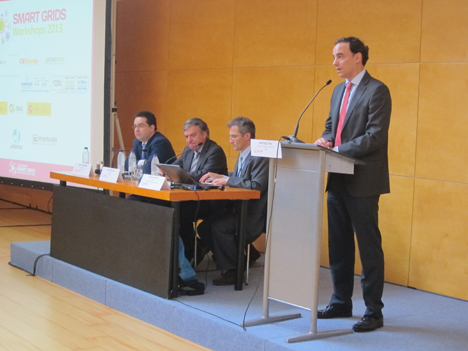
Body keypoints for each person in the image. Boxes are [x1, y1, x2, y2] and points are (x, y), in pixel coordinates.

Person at [314, 37, 391, 332]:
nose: (335, 62)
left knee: (369, 247)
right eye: (334, 56)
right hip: (337, 179)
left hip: (364, 180)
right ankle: (340, 301)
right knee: (339, 244)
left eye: (340, 56)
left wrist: (337, 150)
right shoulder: (336, 91)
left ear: (358, 58)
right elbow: (333, 127)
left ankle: (374, 310)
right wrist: (325, 139)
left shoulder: (377, 90)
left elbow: (375, 136)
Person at [198, 116, 269, 286]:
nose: (230, 141)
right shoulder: (244, 154)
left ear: (247, 136)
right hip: (239, 209)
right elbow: (241, 178)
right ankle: (244, 255)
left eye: (234, 137)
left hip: (252, 215)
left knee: (219, 226)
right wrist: (222, 176)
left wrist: (227, 180)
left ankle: (233, 270)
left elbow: (256, 185)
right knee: (204, 227)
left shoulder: (260, 155)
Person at [169, 118, 228, 261]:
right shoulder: (188, 150)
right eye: (186, 137)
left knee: (181, 213)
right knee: (171, 208)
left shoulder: (215, 151)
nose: (189, 140)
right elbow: (176, 166)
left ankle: (191, 252)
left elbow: (203, 175)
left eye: (193, 135)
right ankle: (191, 250)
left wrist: (177, 174)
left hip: (211, 201)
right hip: (191, 198)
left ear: (204, 134)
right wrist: (166, 171)